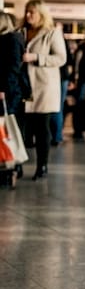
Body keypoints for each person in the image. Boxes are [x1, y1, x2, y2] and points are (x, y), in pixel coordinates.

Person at [21, 0, 68, 180]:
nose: (28, 16)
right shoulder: (21, 32)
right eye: (26, 12)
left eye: (32, 12)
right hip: (24, 87)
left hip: (43, 87)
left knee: (42, 129)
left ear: (41, 13)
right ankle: (17, 166)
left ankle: (42, 165)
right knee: (24, 129)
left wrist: (36, 57)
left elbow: (60, 58)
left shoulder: (52, 33)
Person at [0, 13, 26, 177]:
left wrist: (4, 89)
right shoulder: (9, 39)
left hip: (8, 92)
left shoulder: (12, 39)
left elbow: (13, 68)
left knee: (9, 127)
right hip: (6, 90)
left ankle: (14, 162)